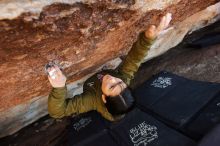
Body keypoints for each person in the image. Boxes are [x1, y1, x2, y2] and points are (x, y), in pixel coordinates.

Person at [47, 13, 172, 121]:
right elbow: (134, 59)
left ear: (103, 98)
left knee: (113, 117)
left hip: (111, 113)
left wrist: (59, 88)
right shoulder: (123, 79)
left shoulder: (92, 100)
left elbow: (57, 112)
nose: (113, 78)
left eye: (111, 86)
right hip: (116, 106)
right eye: (119, 82)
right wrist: (148, 38)